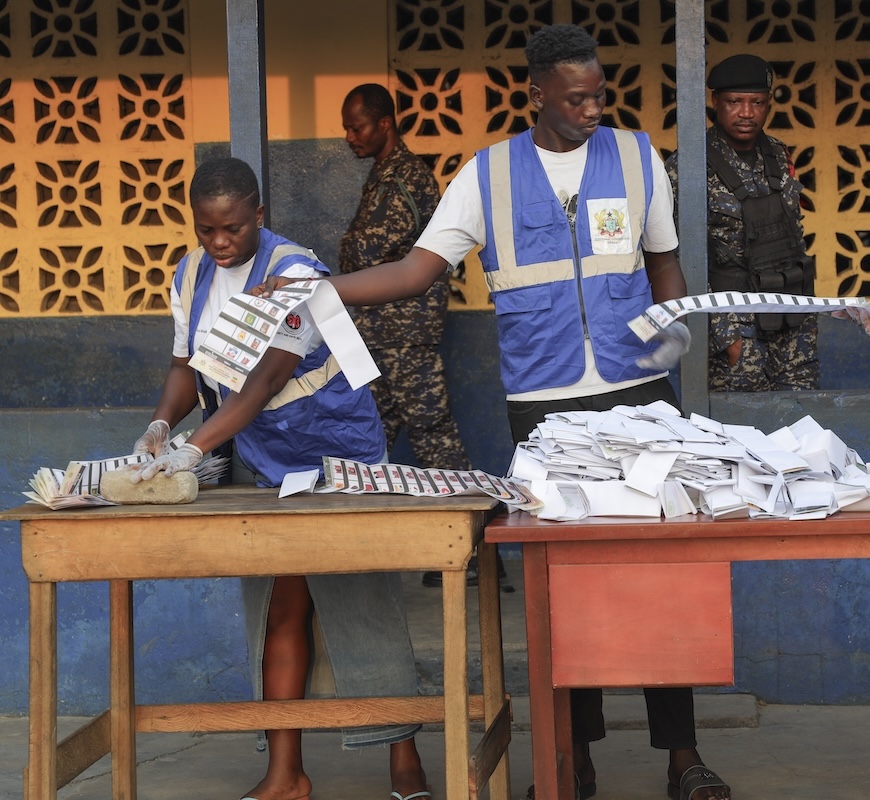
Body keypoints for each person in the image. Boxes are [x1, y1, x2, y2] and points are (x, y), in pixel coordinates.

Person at [258, 24, 730, 800]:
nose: (591, 108)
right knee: (567, 592)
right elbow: (417, 268)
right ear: (536, 93)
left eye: (598, 93)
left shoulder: (641, 157)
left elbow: (664, 262)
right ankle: (575, 758)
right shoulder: (487, 177)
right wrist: (323, 290)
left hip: (643, 399)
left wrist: (675, 329)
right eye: (575, 97)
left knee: (659, 580)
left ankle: (683, 757)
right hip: (544, 409)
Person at [131, 157, 429, 800]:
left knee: (362, 604)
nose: (219, 242)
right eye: (206, 230)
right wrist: (159, 426)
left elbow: (260, 384)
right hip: (262, 460)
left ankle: (404, 757)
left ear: (258, 216)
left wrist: (189, 450)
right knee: (278, 604)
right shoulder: (188, 275)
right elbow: (188, 368)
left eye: (232, 229)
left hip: (332, 451)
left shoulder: (294, 272)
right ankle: (286, 773)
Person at [339, 83, 492, 590]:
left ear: (385, 123)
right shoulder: (384, 175)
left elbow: (374, 252)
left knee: (433, 435)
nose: (349, 136)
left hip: (404, 332)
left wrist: (340, 263)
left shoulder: (406, 176)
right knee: (370, 433)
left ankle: (470, 552)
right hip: (381, 332)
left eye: (357, 126)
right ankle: (361, 549)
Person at [664, 53, 818, 392]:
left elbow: (794, 235)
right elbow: (676, 260)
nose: (747, 113)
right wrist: (725, 338)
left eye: (757, 102)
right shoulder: (687, 165)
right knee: (737, 432)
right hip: (734, 326)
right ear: (715, 102)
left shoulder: (778, 154)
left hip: (792, 319)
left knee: (802, 424)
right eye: (735, 102)